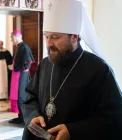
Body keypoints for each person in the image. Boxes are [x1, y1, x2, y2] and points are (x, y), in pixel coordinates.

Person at [22, 0, 122, 140]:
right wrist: (34, 115)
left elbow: (114, 118)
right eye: (46, 36)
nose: (49, 43)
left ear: (74, 36)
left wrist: (73, 131)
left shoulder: (99, 70)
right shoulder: (45, 64)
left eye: (55, 37)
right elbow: (30, 97)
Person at [9, 30, 34, 124]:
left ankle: (25, 119)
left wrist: (14, 67)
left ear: (15, 37)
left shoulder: (24, 47)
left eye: (12, 38)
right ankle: (19, 117)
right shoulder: (19, 46)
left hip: (22, 75)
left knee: (21, 97)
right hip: (18, 74)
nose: (12, 40)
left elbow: (27, 64)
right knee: (17, 97)